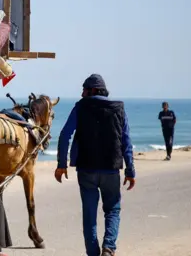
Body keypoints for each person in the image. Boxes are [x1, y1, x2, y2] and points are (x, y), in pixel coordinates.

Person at [54, 74, 136, 256]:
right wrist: (130, 170)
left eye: (84, 89)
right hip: (111, 169)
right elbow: (126, 141)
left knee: (89, 216)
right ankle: (108, 249)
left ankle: (93, 253)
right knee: (113, 210)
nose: (82, 93)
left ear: (93, 90)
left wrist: (62, 165)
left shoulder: (80, 107)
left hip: (86, 170)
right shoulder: (119, 108)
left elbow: (65, 135)